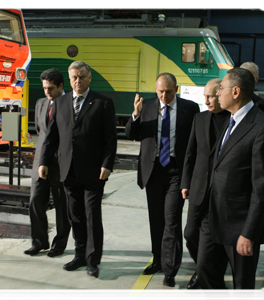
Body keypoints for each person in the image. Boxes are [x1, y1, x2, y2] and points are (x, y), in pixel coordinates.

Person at [197, 68, 264, 299]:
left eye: (222, 89)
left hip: (241, 225)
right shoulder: (230, 121)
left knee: (242, 287)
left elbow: (262, 187)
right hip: (214, 217)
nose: (218, 94)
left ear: (236, 92)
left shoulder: (261, 127)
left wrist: (249, 233)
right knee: (204, 269)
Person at [39, 61, 117, 278]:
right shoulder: (61, 102)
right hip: (68, 170)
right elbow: (52, 136)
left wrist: (107, 164)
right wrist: (44, 162)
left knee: (92, 216)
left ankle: (93, 260)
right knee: (76, 217)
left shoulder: (102, 102)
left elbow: (110, 138)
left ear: (89, 77)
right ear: (69, 79)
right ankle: (80, 254)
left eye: (82, 76)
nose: (78, 81)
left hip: (94, 172)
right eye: (74, 77)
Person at [125, 73, 200, 287]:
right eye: (160, 91)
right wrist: (135, 114)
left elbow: (195, 142)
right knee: (156, 219)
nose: (164, 96)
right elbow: (131, 134)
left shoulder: (190, 109)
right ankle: (157, 259)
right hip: (153, 170)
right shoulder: (147, 106)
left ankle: (170, 269)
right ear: (155, 90)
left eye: (168, 91)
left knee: (172, 220)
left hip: (176, 171)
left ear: (176, 89)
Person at [180, 78, 230, 291]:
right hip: (199, 188)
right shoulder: (199, 119)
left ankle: (204, 272)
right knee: (190, 233)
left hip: (221, 192)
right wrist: (185, 182)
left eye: (210, 96)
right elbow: (190, 153)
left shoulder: (233, 121)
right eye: (205, 96)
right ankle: (203, 267)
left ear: (221, 94)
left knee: (217, 238)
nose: (206, 100)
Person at [24, 68, 71, 257]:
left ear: (61, 86)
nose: (47, 92)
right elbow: (40, 133)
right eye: (44, 88)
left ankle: (59, 244)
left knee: (62, 207)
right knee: (35, 201)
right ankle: (39, 242)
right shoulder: (41, 103)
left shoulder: (69, 105)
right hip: (40, 163)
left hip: (60, 164)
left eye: (50, 88)